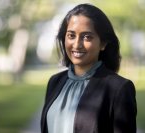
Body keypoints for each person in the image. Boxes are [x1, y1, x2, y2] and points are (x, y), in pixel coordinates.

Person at [41, 3, 137, 133]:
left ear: (103, 43)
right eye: (71, 35)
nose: (77, 44)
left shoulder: (119, 88)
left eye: (87, 37)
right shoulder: (54, 82)